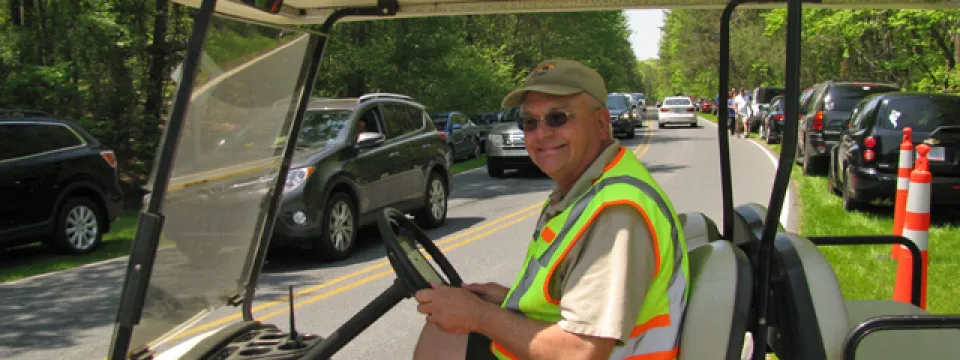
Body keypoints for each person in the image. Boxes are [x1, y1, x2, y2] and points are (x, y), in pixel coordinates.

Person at [411, 59, 690, 360]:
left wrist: (478, 315)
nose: (541, 134)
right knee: (447, 325)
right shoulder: (583, 190)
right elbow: (579, 305)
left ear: (600, 122)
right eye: (530, 122)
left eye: (557, 118)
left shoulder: (616, 212)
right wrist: (508, 300)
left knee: (452, 330)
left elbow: (581, 352)